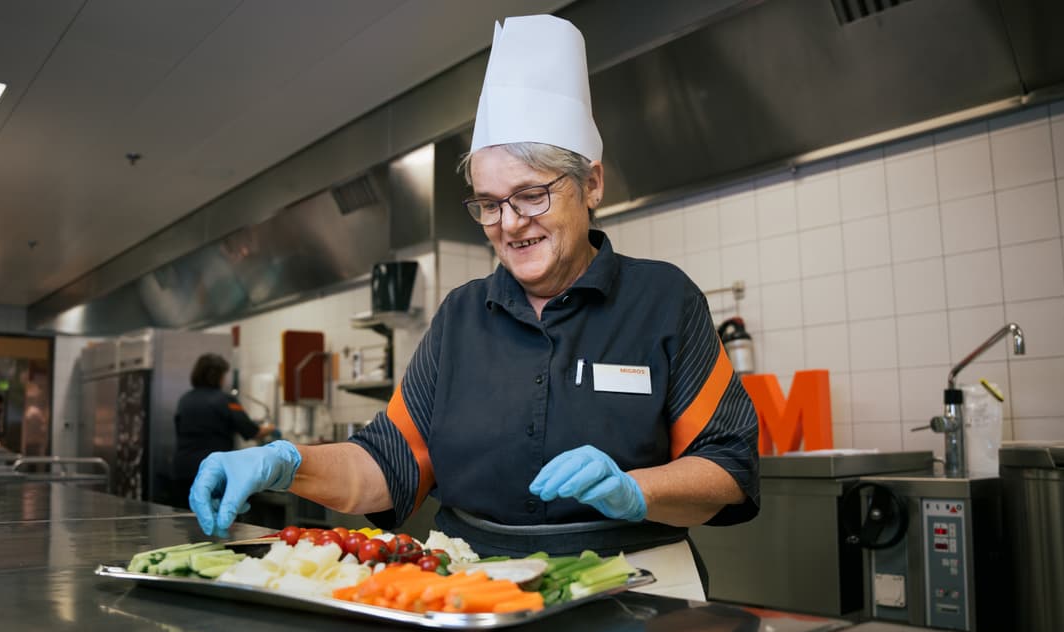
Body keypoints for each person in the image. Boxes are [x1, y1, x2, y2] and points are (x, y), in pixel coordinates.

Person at [189, 14, 758, 600]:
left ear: (591, 185)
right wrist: (285, 463)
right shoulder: (461, 317)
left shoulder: (663, 301)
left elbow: (727, 466)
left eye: (531, 195)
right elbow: (388, 465)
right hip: (472, 592)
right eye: (489, 204)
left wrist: (638, 490)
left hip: (634, 587)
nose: (510, 224)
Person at [173, 354, 275, 509]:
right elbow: (252, 432)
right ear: (218, 375)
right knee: (217, 520)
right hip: (213, 471)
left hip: (183, 469)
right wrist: (271, 428)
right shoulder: (225, 400)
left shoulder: (185, 399)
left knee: (188, 519)